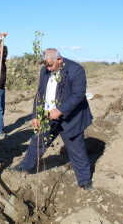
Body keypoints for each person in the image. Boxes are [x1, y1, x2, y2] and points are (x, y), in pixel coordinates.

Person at [8, 48, 94, 191]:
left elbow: (78, 95)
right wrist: (36, 115)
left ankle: (85, 181)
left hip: (71, 118)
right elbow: (40, 94)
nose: (47, 68)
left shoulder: (76, 70)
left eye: (50, 65)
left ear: (59, 60)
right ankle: (25, 167)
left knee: (77, 149)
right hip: (49, 117)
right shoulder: (45, 71)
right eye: (45, 65)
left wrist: (60, 110)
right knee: (38, 141)